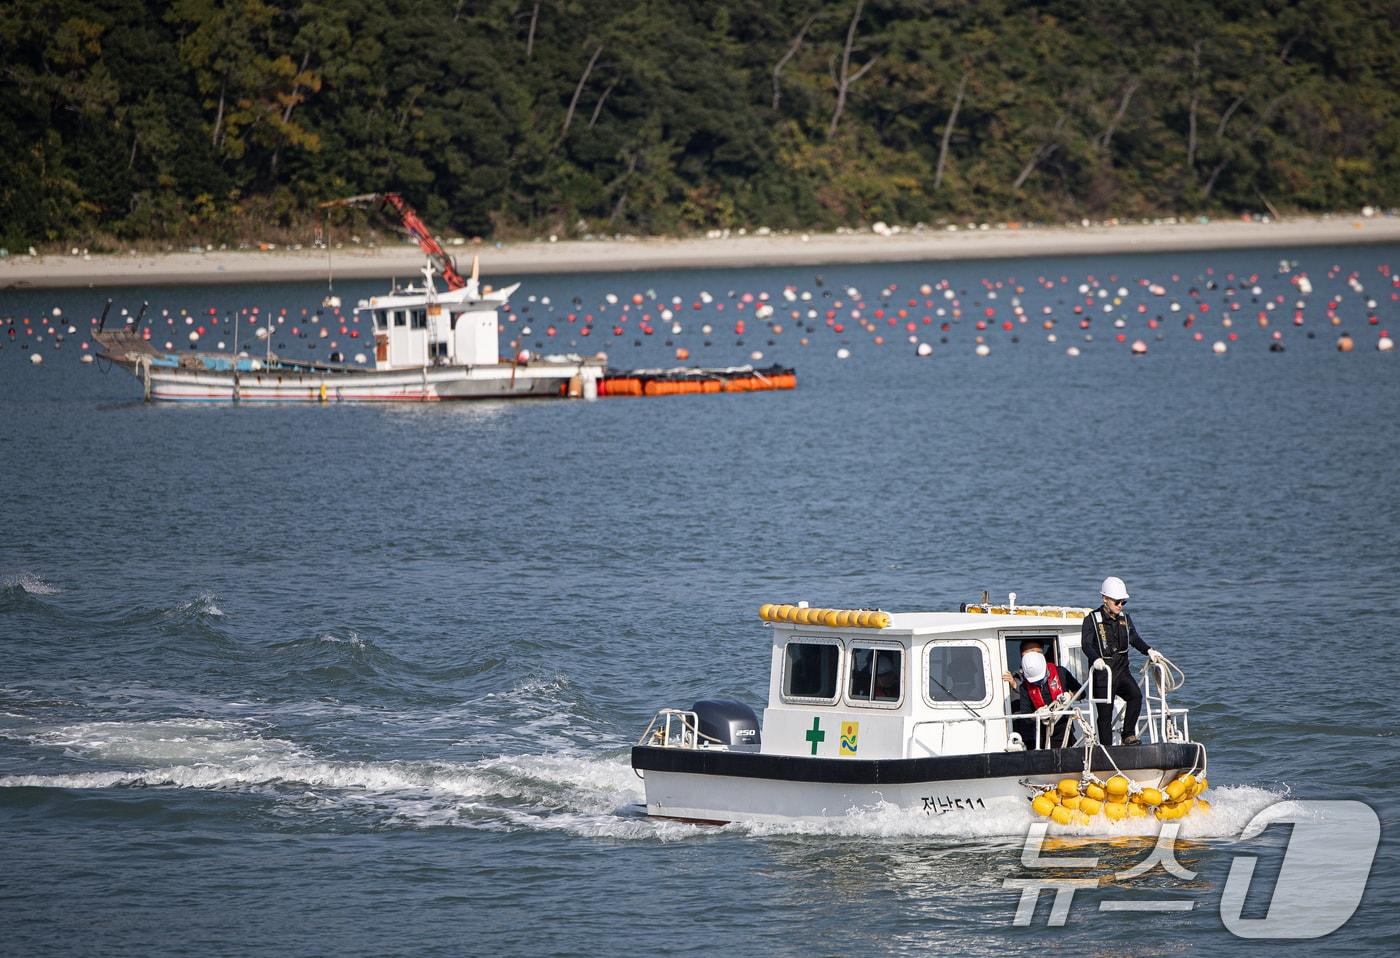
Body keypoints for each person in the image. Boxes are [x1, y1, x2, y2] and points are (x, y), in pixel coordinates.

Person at [1081, 576, 1164, 746]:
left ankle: (1128, 735)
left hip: (1122, 672)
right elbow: (1086, 644)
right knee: (1105, 714)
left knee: (1135, 696)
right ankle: (1107, 748)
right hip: (1103, 675)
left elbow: (1134, 639)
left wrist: (1148, 650)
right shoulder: (1091, 620)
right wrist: (1095, 659)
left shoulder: (1125, 619)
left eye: (1123, 602)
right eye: (1117, 602)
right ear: (1105, 598)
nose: (1120, 605)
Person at [1005, 643, 1082, 748]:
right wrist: (1037, 714)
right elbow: (1026, 716)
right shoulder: (1024, 688)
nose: (1039, 683)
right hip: (1043, 736)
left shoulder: (1061, 673)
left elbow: (1081, 692)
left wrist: (1070, 695)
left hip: (1065, 730)